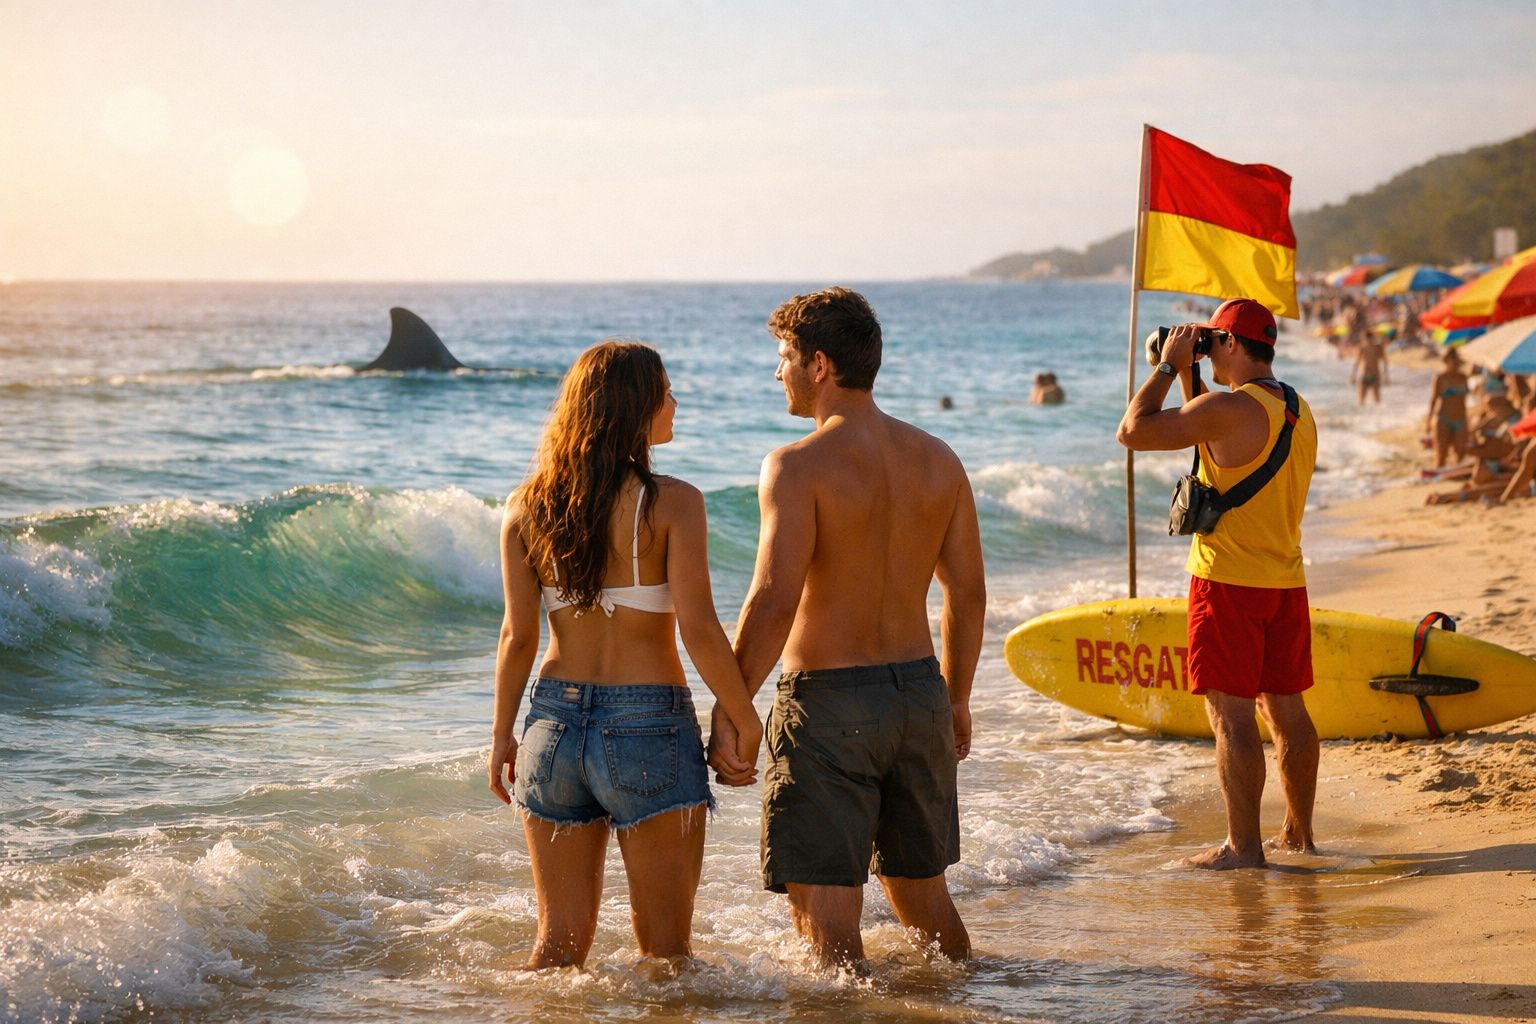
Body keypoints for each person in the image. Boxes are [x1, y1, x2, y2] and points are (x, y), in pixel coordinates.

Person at [707, 287, 986, 967]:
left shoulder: (797, 465)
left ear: (820, 364)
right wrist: (955, 697)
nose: (778, 371)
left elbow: (774, 599)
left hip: (829, 706)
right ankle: (969, 1001)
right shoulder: (938, 459)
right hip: (918, 696)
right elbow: (968, 594)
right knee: (928, 906)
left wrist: (733, 706)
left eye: (784, 357)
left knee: (826, 929)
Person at [488, 339, 763, 968]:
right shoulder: (675, 502)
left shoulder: (527, 506)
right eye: (665, 392)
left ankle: (533, 1014)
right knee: (666, 956)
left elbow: (517, 637)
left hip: (552, 728)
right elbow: (699, 629)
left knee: (556, 950)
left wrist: (503, 735)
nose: (675, 403)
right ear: (635, 407)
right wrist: (745, 718)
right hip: (648, 727)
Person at [1116, 297, 1320, 870]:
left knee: (1231, 717)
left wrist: (1166, 365)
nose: (1204, 346)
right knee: (1288, 712)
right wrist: (1191, 374)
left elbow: (1132, 431)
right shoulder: (1295, 408)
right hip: (1285, 581)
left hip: (1227, 583)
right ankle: (1299, 835)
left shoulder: (1228, 409)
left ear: (1230, 342)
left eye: (1211, 339)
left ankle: (1243, 848)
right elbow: (1215, 439)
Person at [1426, 349, 1470, 469]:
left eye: (1457, 361)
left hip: (1461, 418)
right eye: (1453, 360)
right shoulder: (1440, 378)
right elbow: (1434, 399)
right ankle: (1439, 475)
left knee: (1461, 453)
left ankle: (1455, 475)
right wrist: (1429, 421)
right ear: (1447, 361)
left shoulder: (1463, 377)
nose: (1456, 363)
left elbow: (1465, 400)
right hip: (1443, 418)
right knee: (1441, 455)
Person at [1350, 334, 1388, 405]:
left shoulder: (1378, 348)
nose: (1367, 341)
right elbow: (1356, 363)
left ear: (1372, 338)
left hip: (1375, 375)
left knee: (1377, 400)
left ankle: (1378, 412)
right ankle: (1362, 412)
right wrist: (1353, 376)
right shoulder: (1361, 348)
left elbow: (1385, 362)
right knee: (1361, 400)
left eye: (1368, 339)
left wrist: (1386, 376)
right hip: (1364, 375)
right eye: (1364, 339)